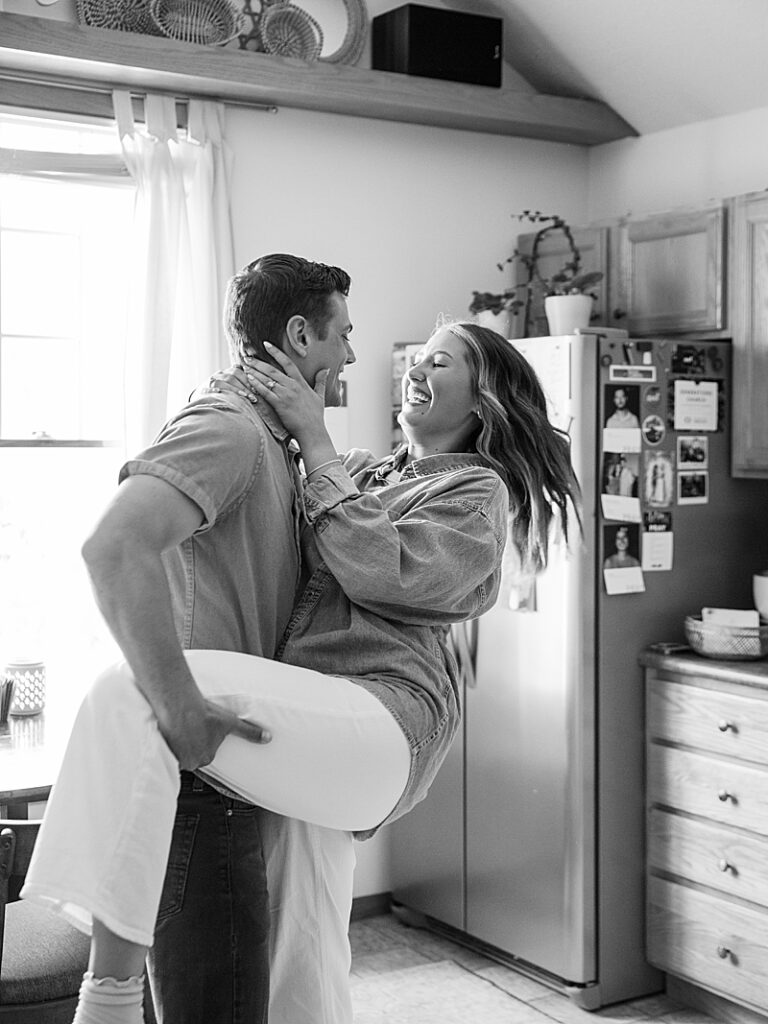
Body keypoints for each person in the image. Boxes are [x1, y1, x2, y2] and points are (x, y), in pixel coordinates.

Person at [21, 320, 581, 1024]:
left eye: (439, 362)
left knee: (132, 688)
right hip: (314, 724)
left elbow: (375, 568)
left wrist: (315, 439)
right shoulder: (366, 472)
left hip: (384, 720)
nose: (414, 368)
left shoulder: (476, 495)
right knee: (302, 957)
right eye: (417, 355)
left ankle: (107, 1001)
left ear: (481, 402)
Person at [25, 252, 358, 1024]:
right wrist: (183, 713)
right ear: (302, 334)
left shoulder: (273, 437)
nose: (350, 355)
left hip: (229, 777)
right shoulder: (232, 428)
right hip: (204, 781)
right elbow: (113, 547)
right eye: (344, 334)